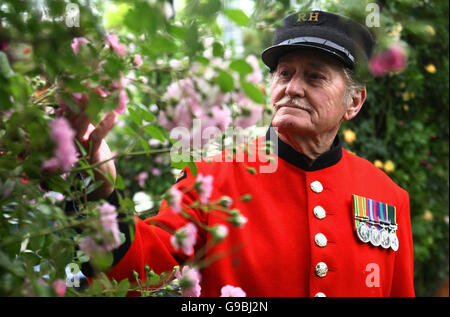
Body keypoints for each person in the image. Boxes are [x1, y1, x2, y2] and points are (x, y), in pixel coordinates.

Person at [68, 10, 415, 297]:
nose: (292, 88)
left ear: (353, 101)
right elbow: (138, 271)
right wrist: (101, 191)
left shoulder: (387, 196)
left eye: (314, 77)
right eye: (284, 74)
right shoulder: (210, 177)